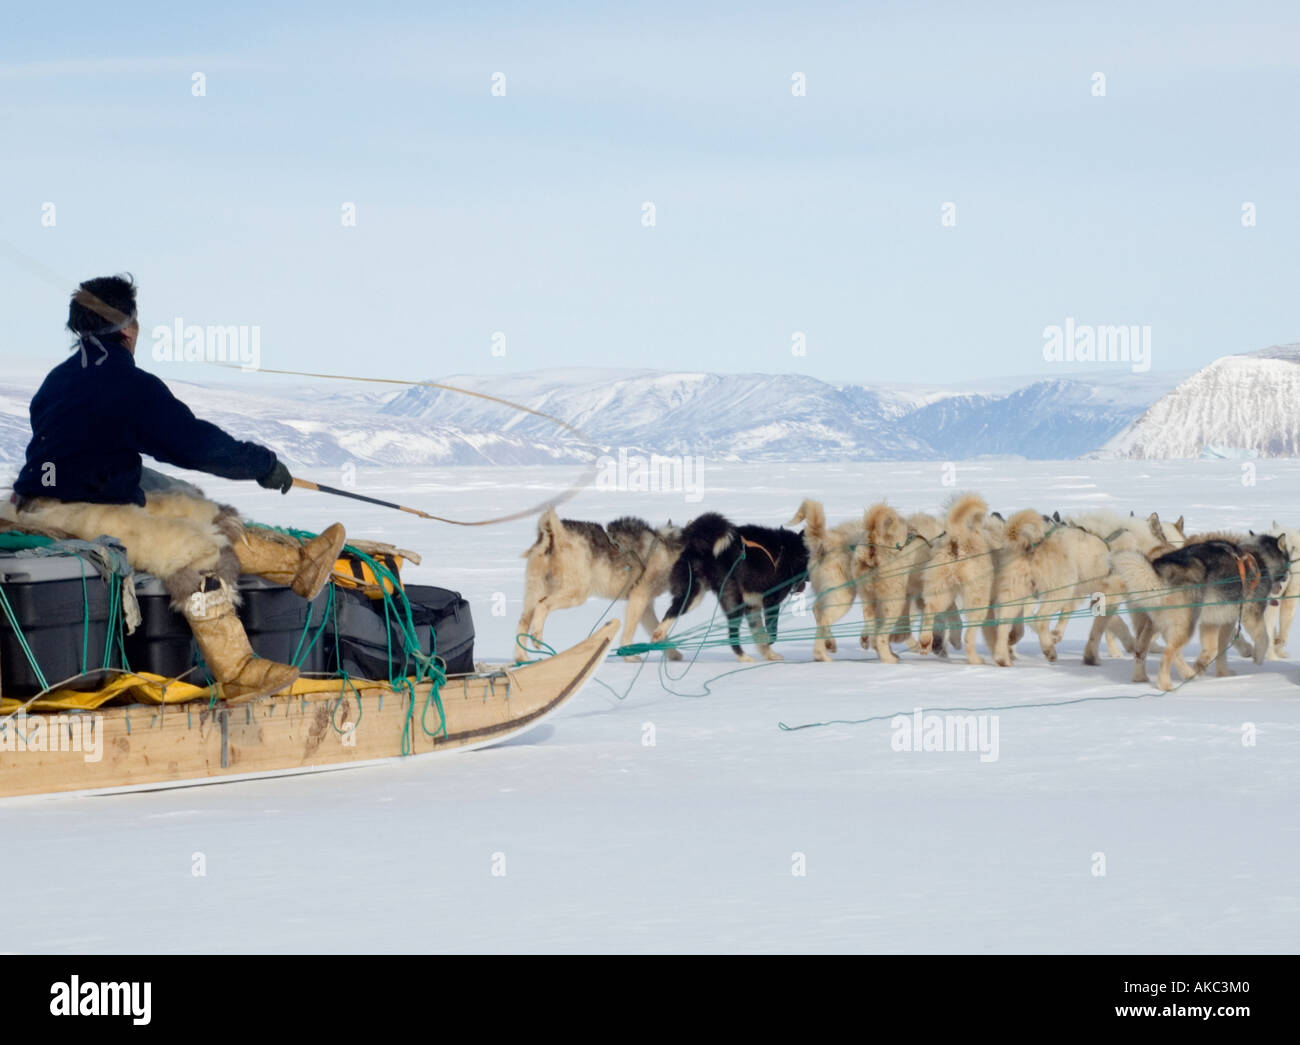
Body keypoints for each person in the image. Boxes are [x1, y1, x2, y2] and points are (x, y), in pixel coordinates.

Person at [4, 274, 347, 702]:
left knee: (191, 508)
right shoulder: (128, 384)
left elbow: (81, 450)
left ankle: (298, 566)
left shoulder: (56, 380)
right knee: (195, 551)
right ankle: (238, 670)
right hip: (80, 512)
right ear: (129, 327)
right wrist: (262, 464)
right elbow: (193, 444)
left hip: (39, 503)